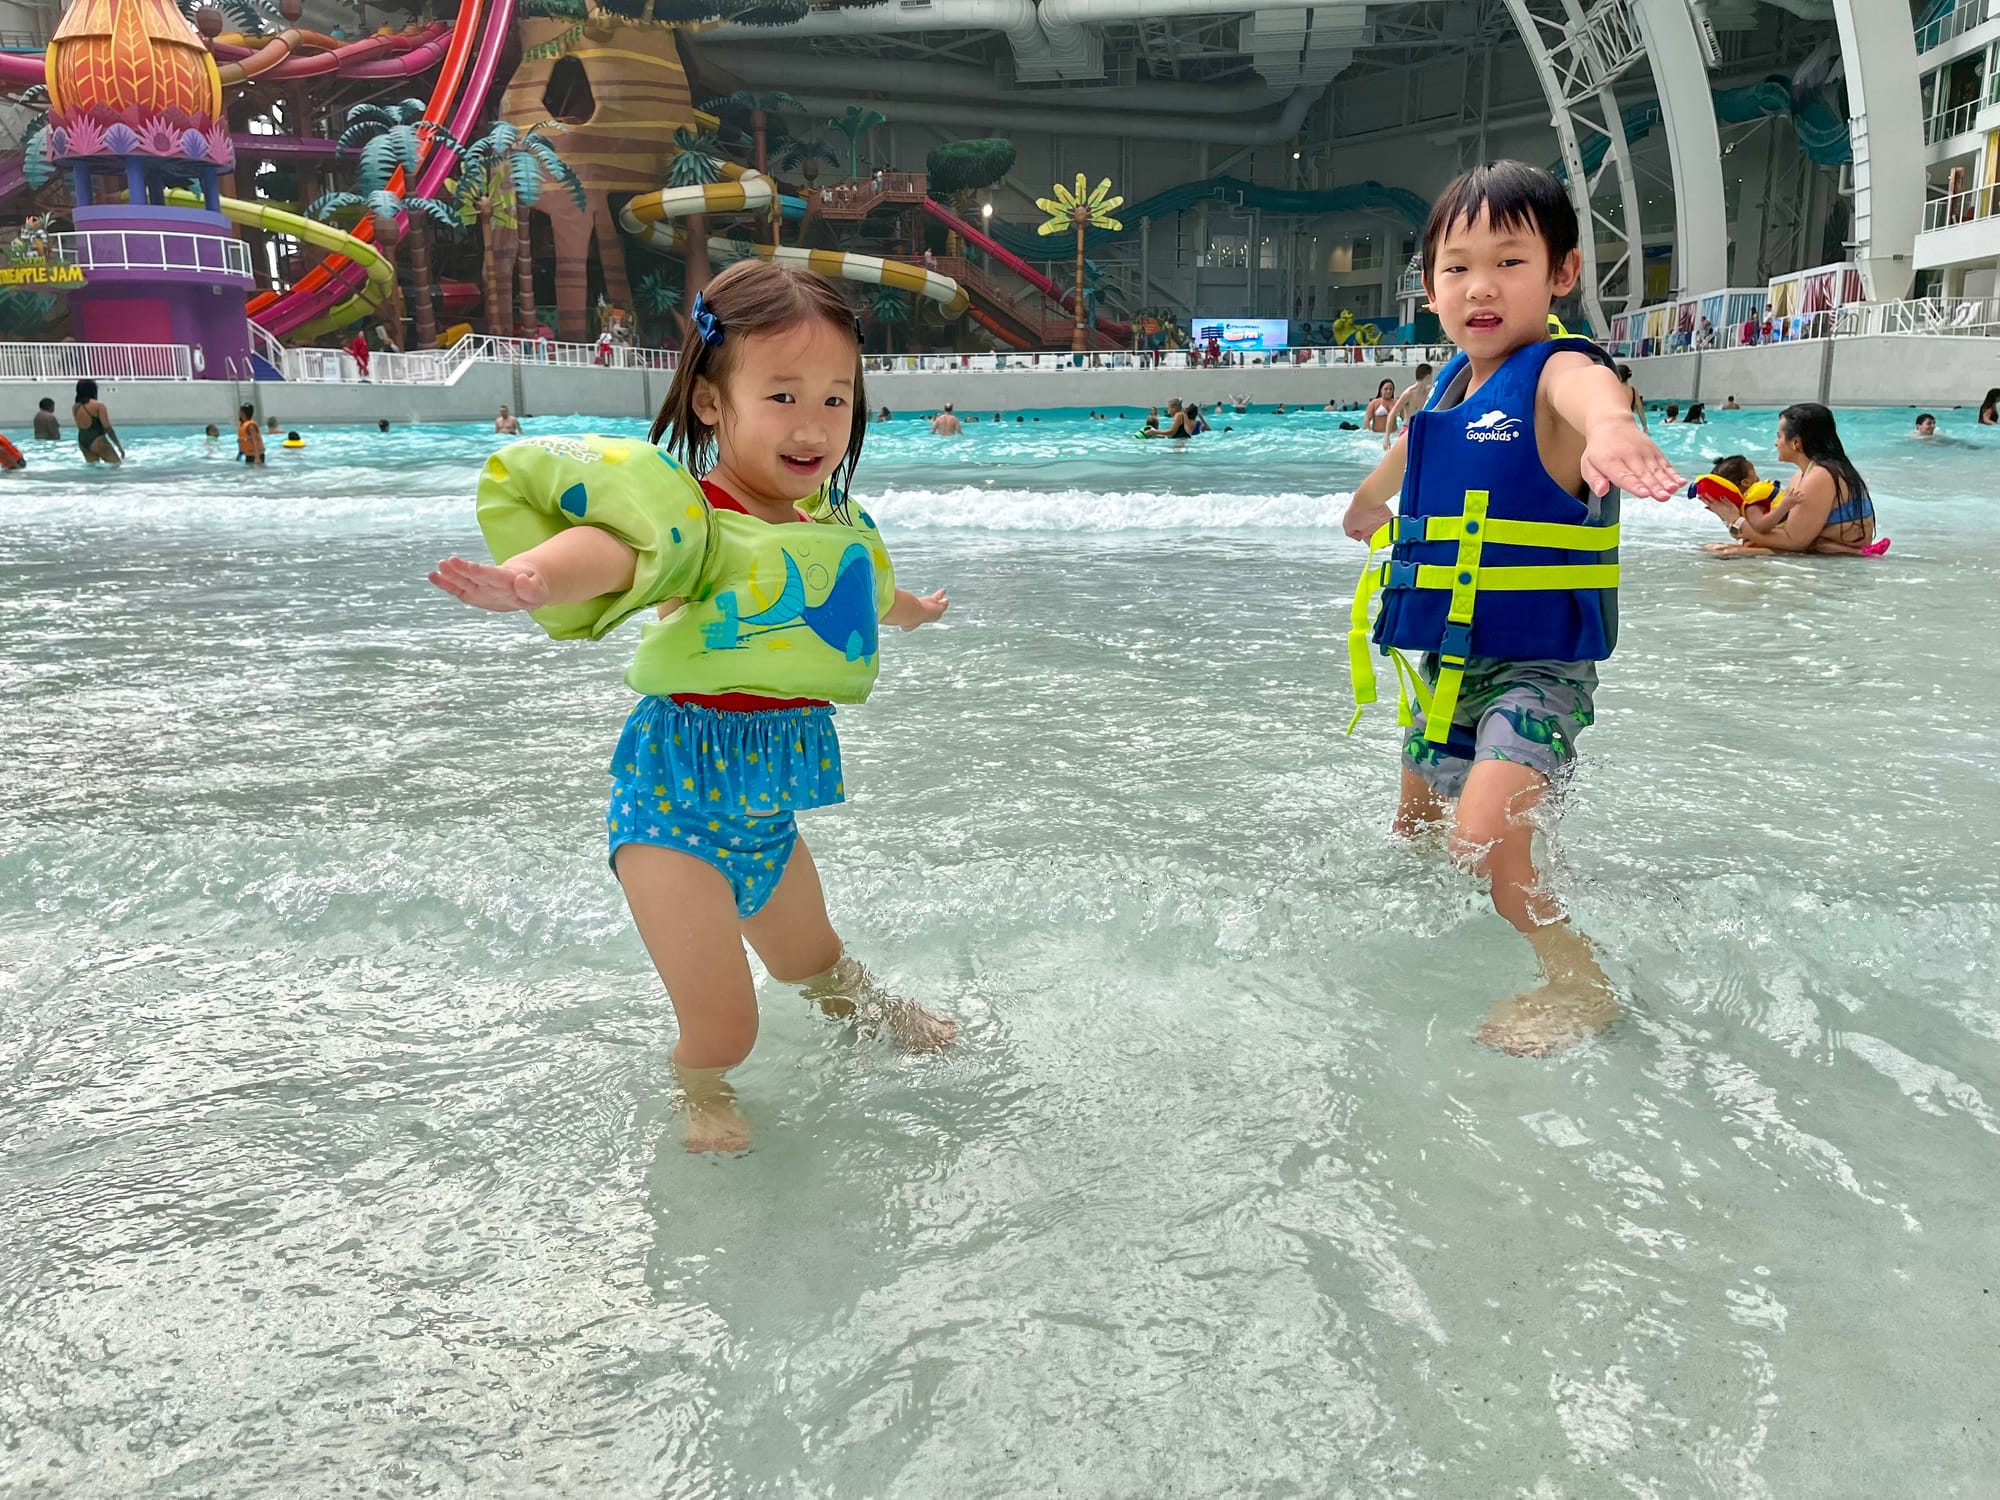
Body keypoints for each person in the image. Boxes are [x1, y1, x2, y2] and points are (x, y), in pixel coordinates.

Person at [427, 260, 955, 1153]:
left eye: (836, 400)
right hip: (673, 806)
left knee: (815, 961)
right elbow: (612, 553)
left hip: (767, 804)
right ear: (712, 402)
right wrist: (531, 579)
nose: (815, 424)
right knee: (727, 1029)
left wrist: (914, 614)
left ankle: (869, 1014)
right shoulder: (697, 518)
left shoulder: (833, 525)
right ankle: (700, 1090)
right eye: (783, 395)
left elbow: (865, 596)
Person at [1339, 159, 1682, 1056]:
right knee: (1417, 828)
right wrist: (1369, 514)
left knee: (1483, 845)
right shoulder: (1445, 392)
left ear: (1563, 273)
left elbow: (1590, 394)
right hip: (1448, 664)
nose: (1480, 287)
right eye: (1457, 267)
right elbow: (1391, 486)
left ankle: (1581, 982)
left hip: (1534, 668)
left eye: (1510, 262)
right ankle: (1484, 879)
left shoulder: (1557, 374)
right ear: (1428, 285)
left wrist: (1612, 427)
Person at [1715, 403, 1882, 558]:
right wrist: (1733, 521)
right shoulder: (1805, 475)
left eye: (1779, 436)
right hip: (1826, 556)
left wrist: (1736, 521)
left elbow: (1794, 541)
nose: (1776, 443)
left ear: (1795, 442)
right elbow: (1786, 533)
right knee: (1719, 550)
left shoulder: (1819, 477)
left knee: (1723, 554)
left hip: (1839, 564)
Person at [72, 380, 122, 465]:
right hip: (97, 439)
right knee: (116, 466)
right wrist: (118, 445)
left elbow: (79, 425)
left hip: (82, 441)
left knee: (93, 468)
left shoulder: (75, 407)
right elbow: (107, 427)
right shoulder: (98, 405)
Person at [1382, 362, 1436, 442]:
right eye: (1431, 376)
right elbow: (1392, 414)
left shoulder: (1428, 392)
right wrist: (1387, 438)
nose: (1432, 379)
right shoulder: (1408, 394)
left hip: (1421, 431)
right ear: (1427, 377)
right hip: (1407, 431)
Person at [1616, 363, 1647, 431]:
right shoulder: (1633, 391)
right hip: (1630, 423)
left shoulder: (1614, 389)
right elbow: (1640, 410)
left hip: (1617, 423)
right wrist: (1645, 426)